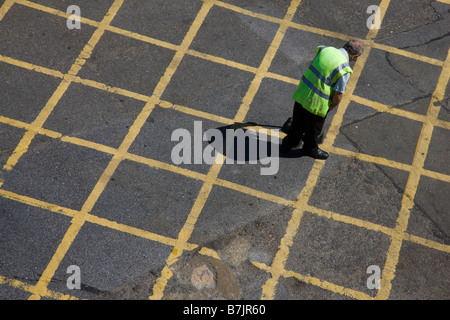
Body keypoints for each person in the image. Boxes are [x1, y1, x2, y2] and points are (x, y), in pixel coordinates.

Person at [281, 40, 363, 159]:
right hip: (318, 103)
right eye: (356, 58)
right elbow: (338, 94)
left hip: (303, 93)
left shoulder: (325, 49)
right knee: (314, 130)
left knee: (297, 122)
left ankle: (288, 144)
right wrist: (330, 108)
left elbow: (320, 58)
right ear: (354, 56)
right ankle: (310, 149)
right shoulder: (345, 69)